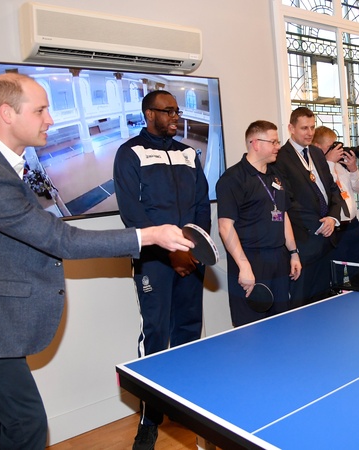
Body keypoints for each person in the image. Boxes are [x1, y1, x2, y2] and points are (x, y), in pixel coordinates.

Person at [0, 73, 195, 450]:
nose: (50, 119)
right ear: (7, 113)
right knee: (26, 423)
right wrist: (150, 235)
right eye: (40, 110)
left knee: (2, 417)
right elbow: (60, 239)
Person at [113, 89, 211, 448]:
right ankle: (150, 419)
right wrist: (171, 253)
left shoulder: (188, 153)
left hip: (190, 257)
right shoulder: (130, 153)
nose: (175, 117)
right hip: (154, 260)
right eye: (168, 111)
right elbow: (132, 213)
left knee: (188, 330)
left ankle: (184, 407)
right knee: (155, 335)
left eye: (176, 111)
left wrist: (193, 248)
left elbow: (202, 205)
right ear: (149, 114)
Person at [216, 120, 301, 326]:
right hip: (251, 260)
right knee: (251, 328)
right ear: (255, 143)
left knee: (281, 323)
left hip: (278, 259)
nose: (278, 146)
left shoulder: (276, 175)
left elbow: (283, 215)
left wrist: (293, 252)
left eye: (277, 142)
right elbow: (225, 227)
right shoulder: (232, 178)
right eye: (273, 142)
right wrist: (244, 266)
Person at [273, 107, 345, 305]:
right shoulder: (280, 157)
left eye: (312, 127)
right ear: (291, 128)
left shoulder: (316, 153)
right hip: (304, 243)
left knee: (324, 302)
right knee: (301, 303)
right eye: (304, 128)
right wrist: (318, 224)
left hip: (327, 241)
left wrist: (332, 218)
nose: (310, 132)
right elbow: (288, 202)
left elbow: (332, 189)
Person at [313, 126, 359, 288]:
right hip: (336, 233)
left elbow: (358, 189)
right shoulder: (315, 170)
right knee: (335, 279)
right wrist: (329, 162)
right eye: (331, 146)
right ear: (317, 147)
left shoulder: (340, 167)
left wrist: (353, 169)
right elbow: (326, 191)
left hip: (354, 227)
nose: (337, 150)